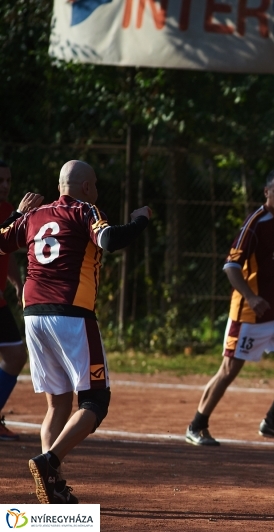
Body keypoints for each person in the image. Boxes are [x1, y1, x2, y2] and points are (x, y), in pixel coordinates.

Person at [0, 160, 151, 503]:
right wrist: (141, 219)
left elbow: (1, 244)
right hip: (72, 315)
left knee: (57, 404)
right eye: (94, 184)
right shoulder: (84, 209)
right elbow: (110, 240)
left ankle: (51, 488)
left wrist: (15, 216)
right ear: (85, 187)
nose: (96, 190)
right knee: (96, 400)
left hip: (33, 314)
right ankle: (49, 461)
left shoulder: (33, 215)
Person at [185, 169, 274, 446]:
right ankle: (196, 426)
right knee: (229, 370)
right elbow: (230, 266)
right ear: (266, 192)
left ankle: (273, 421)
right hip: (249, 312)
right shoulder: (255, 223)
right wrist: (251, 297)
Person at [0, 160, 44, 441]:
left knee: (15, 355)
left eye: (8, 180)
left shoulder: (6, 209)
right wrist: (18, 214)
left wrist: (17, 283)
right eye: (0, 181)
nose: (5, 186)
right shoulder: (10, 211)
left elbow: (8, 251)